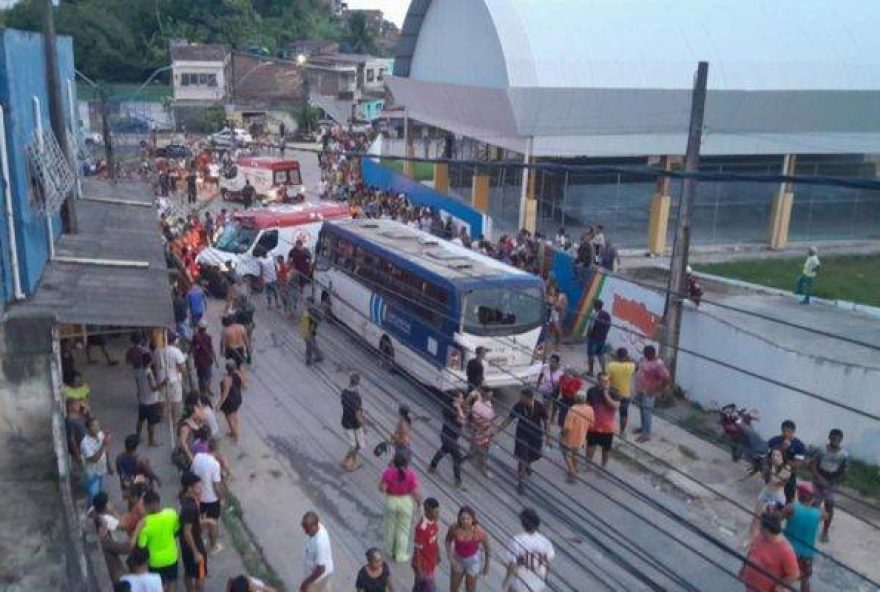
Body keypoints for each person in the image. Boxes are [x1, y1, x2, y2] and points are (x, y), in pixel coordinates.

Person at [496, 388, 548, 495]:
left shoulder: (538, 406)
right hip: (522, 435)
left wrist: (548, 436)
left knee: (536, 455)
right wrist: (498, 430)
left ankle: (528, 463)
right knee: (522, 458)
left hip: (536, 435)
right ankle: (521, 483)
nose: (520, 399)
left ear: (529, 398)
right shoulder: (518, 406)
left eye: (522, 398)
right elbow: (509, 419)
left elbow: (545, 419)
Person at [740, 511, 799, 592]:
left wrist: (780, 586)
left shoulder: (785, 550)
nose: (759, 527)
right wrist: (744, 568)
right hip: (751, 586)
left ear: (767, 529)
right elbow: (752, 552)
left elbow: (794, 574)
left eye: (761, 525)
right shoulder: (760, 537)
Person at [379, 451, 421, 563]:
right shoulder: (411, 475)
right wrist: (419, 503)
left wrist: (387, 487)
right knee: (403, 529)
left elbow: (382, 488)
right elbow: (415, 492)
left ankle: (390, 550)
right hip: (406, 501)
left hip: (391, 501)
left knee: (390, 527)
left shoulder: (388, 473)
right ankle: (400, 555)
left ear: (394, 461)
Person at [782, 483, 825, 592]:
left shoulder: (791, 507)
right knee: (805, 580)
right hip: (807, 553)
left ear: (799, 494)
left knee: (783, 576)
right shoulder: (818, 513)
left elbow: (778, 519)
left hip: (789, 550)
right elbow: (826, 515)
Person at [136, 490, 180, 592]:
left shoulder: (144, 523)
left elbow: (142, 545)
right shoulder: (171, 514)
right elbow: (176, 530)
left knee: (160, 585)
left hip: (155, 561)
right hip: (171, 557)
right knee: (172, 581)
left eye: (145, 505)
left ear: (150, 505)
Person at [502, 508, 555, 592]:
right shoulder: (545, 542)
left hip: (520, 582)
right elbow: (547, 564)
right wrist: (545, 578)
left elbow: (513, 565)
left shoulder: (517, 540)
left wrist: (506, 581)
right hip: (538, 583)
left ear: (523, 523)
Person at [811, 428, 847, 542]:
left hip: (832, 482)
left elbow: (844, 471)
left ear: (841, 440)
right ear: (829, 438)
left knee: (829, 506)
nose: (835, 440)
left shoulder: (843, 454)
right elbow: (813, 465)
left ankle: (825, 532)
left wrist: (834, 481)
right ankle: (811, 528)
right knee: (814, 504)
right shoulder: (822, 450)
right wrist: (818, 477)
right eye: (833, 437)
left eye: (838, 438)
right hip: (819, 479)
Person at [191, 438, 226, 554]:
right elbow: (216, 485)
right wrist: (221, 498)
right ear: (216, 449)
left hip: (198, 496)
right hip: (211, 499)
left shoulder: (197, 457)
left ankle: (200, 539)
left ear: (207, 447)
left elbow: (192, 472)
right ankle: (213, 547)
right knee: (213, 523)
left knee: (199, 519)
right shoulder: (215, 464)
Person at [445, 506, 490, 592]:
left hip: (473, 561)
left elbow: (487, 548)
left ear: (473, 519)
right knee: (453, 588)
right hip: (457, 559)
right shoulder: (454, 528)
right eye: (463, 519)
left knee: (470, 588)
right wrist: (451, 558)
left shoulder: (479, 531)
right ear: (459, 519)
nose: (465, 521)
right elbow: (447, 541)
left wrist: (486, 566)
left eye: (468, 519)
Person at [428, 391, 466, 489]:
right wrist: (458, 407)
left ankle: (432, 466)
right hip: (449, 437)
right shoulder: (452, 410)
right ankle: (458, 481)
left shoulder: (452, 408)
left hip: (449, 436)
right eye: (461, 398)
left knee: (443, 451)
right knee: (456, 458)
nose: (463, 399)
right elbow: (462, 420)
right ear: (455, 399)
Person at [633, 345, 670, 443]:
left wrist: (658, 390)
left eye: (646, 353)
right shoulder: (646, 359)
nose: (644, 355)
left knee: (646, 412)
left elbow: (666, 378)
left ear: (651, 354)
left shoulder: (658, 365)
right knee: (642, 410)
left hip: (649, 392)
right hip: (641, 390)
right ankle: (643, 428)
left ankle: (646, 435)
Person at [179, 472, 208, 592]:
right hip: (194, 545)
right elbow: (187, 531)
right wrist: (196, 552)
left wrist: (205, 522)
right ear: (190, 488)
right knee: (200, 576)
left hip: (185, 545)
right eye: (198, 486)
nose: (201, 488)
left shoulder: (185, 500)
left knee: (189, 572)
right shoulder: (190, 507)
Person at [767, 420, 807, 504]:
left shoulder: (799, 445)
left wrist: (783, 462)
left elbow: (798, 463)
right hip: (774, 471)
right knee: (771, 494)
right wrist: (781, 448)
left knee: (789, 497)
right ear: (781, 430)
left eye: (789, 431)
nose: (786, 433)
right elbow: (767, 455)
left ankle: (786, 512)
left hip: (790, 474)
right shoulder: (774, 440)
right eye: (784, 431)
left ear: (793, 431)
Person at [585, 373, 620, 469]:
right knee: (590, 446)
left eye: (607, 380)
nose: (605, 383)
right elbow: (587, 405)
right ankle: (588, 464)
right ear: (598, 381)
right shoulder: (591, 391)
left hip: (607, 427)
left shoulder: (615, 392)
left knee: (606, 449)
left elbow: (615, 406)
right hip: (593, 424)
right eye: (603, 381)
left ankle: (603, 467)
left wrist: (605, 393)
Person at [560, 390, 594, 483]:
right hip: (582, 435)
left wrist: (562, 435)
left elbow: (567, 427)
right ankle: (574, 467)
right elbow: (591, 424)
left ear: (575, 398)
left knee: (565, 452)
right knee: (575, 453)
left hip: (570, 436)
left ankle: (572, 471)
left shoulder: (572, 409)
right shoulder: (590, 409)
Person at [156, 332, 188, 427]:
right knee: (176, 401)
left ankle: (161, 416)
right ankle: (175, 420)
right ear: (174, 340)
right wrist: (185, 377)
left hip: (161, 379)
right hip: (174, 380)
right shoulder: (176, 351)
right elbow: (182, 367)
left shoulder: (157, 351)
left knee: (162, 398)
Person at [82, 416, 114, 504]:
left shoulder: (100, 434)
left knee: (98, 494)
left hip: (101, 470)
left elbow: (105, 452)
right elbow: (93, 459)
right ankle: (91, 512)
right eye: (93, 426)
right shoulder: (85, 443)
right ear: (88, 428)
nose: (96, 428)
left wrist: (109, 465)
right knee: (94, 496)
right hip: (92, 473)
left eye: (97, 425)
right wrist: (103, 445)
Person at [300, 511, 334, 592]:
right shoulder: (317, 527)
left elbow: (321, 569)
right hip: (314, 575)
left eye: (307, 529)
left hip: (318, 579)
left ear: (314, 526)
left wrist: (306, 583)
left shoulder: (320, 543)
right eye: (304, 527)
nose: (305, 531)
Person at [412, 498, 441, 592]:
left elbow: (435, 539)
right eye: (435, 512)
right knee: (430, 588)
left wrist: (438, 553)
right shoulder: (422, 528)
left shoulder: (433, 522)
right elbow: (417, 549)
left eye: (438, 511)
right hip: (423, 564)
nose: (438, 514)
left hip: (430, 561)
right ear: (427, 511)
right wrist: (419, 568)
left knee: (419, 586)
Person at [607, 348, 636, 436]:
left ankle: (608, 427)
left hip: (613, 392)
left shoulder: (611, 365)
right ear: (626, 355)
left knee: (609, 410)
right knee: (623, 413)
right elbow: (635, 366)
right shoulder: (630, 366)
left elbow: (606, 378)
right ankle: (622, 432)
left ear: (617, 355)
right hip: (625, 394)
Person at [341, 373, 367, 471]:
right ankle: (347, 461)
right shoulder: (356, 397)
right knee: (356, 445)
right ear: (358, 383)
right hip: (355, 424)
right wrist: (364, 426)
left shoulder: (344, 392)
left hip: (345, 421)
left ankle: (353, 461)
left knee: (356, 444)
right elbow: (358, 415)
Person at [467, 387, 495, 478]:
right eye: (489, 394)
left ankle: (476, 458)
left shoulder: (489, 404)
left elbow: (491, 417)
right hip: (479, 430)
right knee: (482, 448)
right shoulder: (477, 404)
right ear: (484, 395)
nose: (491, 396)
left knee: (484, 448)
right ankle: (482, 466)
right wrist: (483, 424)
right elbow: (475, 418)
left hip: (486, 429)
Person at [535, 354, 563, 435]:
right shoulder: (545, 367)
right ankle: (545, 420)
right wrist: (538, 384)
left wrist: (561, 393)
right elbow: (541, 375)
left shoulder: (561, 372)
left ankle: (553, 418)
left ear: (557, 363)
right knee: (545, 405)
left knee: (555, 405)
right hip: (546, 389)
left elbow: (562, 383)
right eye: (550, 361)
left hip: (556, 391)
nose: (551, 363)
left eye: (554, 362)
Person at [218, 360, 245, 442]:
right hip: (237, 398)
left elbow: (225, 393)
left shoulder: (227, 379)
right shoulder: (238, 374)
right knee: (235, 416)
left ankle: (235, 435)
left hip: (230, 401)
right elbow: (244, 386)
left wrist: (219, 404)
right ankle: (235, 431)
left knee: (229, 419)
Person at [191, 320, 217, 398]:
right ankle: (206, 390)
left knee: (201, 377)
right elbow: (211, 348)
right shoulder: (208, 337)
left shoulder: (195, 337)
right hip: (207, 359)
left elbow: (192, 348)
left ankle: (203, 391)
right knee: (208, 376)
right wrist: (215, 359)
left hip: (199, 361)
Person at [586, 300, 611, 376]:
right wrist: (604, 334)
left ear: (595, 306)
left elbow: (591, 327)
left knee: (591, 354)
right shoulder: (607, 315)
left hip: (594, 338)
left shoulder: (594, 314)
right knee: (600, 354)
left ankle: (590, 371)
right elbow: (609, 326)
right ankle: (604, 371)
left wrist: (588, 335)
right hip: (602, 338)